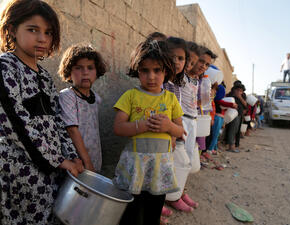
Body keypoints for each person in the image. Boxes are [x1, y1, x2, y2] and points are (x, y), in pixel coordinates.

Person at [0, 0, 84, 224]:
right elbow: (16, 122)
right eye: (32, 30)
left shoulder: (45, 77)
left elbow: (57, 121)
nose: (42, 38)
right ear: (11, 30)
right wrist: (58, 160)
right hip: (21, 171)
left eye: (48, 32)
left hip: (51, 171)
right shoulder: (6, 67)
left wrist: (71, 156)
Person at [113, 40, 184, 225]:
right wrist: (142, 126)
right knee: (131, 213)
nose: (151, 76)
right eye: (145, 70)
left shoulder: (170, 99)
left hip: (160, 168)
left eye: (157, 70)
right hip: (135, 167)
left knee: (153, 211)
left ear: (166, 71)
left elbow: (180, 130)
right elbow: (118, 127)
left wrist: (169, 127)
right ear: (137, 70)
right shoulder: (130, 96)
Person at [58, 44, 107, 173]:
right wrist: (87, 162)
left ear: (97, 72)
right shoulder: (68, 96)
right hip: (77, 161)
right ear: (69, 72)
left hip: (94, 158)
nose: (85, 72)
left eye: (90, 68)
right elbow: (72, 130)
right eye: (78, 68)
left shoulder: (96, 98)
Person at [163, 37, 198, 215]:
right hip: (162, 133)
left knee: (178, 163)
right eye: (172, 57)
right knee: (161, 167)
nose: (176, 62)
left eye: (181, 58)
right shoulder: (160, 81)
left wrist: (176, 133)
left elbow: (177, 111)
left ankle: (175, 195)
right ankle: (163, 199)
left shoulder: (178, 83)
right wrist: (171, 134)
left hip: (176, 130)